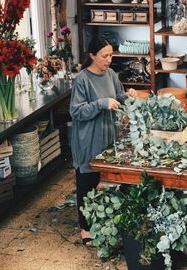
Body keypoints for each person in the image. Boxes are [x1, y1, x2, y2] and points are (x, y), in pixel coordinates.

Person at [69, 37, 137, 245]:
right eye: (104, 56)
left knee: (106, 178)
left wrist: (128, 95)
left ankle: (103, 220)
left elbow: (117, 96)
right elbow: (76, 111)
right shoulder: (82, 79)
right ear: (92, 56)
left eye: (111, 55)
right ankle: (85, 228)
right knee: (87, 183)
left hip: (108, 134)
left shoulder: (111, 74)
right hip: (88, 137)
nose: (109, 60)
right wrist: (100, 104)